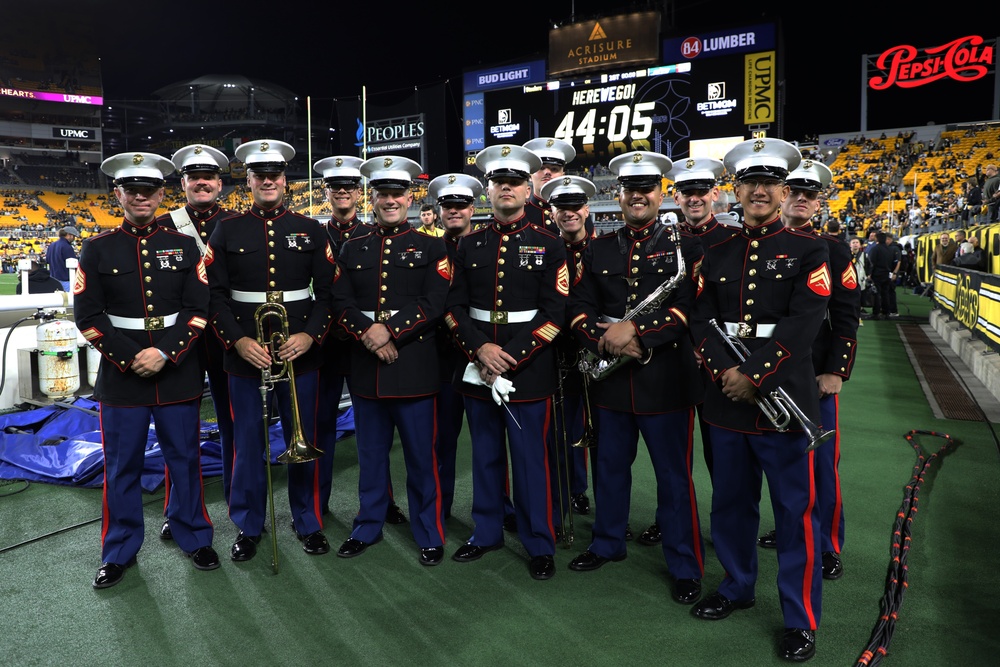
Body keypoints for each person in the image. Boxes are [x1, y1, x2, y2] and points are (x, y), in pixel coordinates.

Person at [691, 138, 830, 662]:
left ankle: (801, 618)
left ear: (782, 190)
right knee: (729, 504)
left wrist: (753, 374)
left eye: (770, 183)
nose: (759, 190)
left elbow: (804, 324)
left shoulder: (809, 249)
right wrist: (726, 372)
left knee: (795, 513)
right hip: (726, 399)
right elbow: (701, 320)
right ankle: (736, 587)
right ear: (737, 187)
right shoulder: (715, 250)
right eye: (750, 182)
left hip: (784, 400)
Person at [567, 152, 706, 607]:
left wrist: (640, 335)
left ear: (660, 192)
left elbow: (688, 308)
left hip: (665, 380)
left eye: (647, 188)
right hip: (609, 381)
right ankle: (608, 542)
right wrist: (607, 338)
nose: (638, 196)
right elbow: (578, 307)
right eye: (630, 189)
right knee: (608, 469)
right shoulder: (598, 247)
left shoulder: (684, 244)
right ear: (617, 194)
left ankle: (684, 563)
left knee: (673, 478)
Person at [78, 152, 218, 588]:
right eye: (131, 189)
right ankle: (118, 549)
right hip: (122, 376)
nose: (140, 196)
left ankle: (192, 533)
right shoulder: (96, 248)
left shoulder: (185, 245)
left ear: (162, 194)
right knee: (121, 467)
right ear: (117, 194)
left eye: (149, 189)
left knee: (186, 459)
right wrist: (130, 356)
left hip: (177, 371)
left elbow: (198, 311)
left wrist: (166, 353)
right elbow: (87, 316)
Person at [205, 139, 335, 562]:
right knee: (246, 442)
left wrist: (311, 336)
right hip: (246, 355)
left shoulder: (312, 229)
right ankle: (248, 523)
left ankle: (308, 520)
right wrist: (238, 341)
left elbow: (331, 295)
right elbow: (215, 296)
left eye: (275, 175)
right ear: (249, 180)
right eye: (259, 175)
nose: (267, 181)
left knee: (305, 439)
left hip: (300, 353)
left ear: (286, 181)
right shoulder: (225, 229)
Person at [444, 143, 568, 581]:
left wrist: (508, 355)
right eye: (499, 183)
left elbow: (556, 313)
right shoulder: (470, 244)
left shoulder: (549, 244)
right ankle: (487, 531)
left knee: (531, 460)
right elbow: (453, 307)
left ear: (526, 188)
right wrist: (480, 350)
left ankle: (539, 541)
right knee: (485, 455)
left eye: (515, 182)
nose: (507, 189)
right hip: (478, 365)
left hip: (528, 369)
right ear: (489, 191)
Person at [330, 156, 450, 565]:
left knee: (421, 458)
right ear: (374, 197)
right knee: (371, 457)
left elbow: (435, 302)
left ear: (410, 196)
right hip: (367, 370)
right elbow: (339, 301)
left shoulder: (433, 246)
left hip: (414, 369)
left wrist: (390, 331)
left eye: (397, 193)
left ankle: (429, 532)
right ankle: (368, 525)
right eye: (382, 194)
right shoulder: (352, 247)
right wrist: (369, 332)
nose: (390, 200)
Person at [757, 159, 859, 585]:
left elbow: (848, 315)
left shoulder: (834, 249)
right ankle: (790, 529)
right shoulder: (756, 242)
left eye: (809, 194)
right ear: (783, 194)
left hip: (814, 376)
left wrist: (836, 372)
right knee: (779, 467)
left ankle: (828, 545)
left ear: (819, 202)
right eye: (794, 191)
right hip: (765, 372)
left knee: (819, 467)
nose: (801, 199)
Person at [311, 155, 406, 525]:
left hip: (367, 346)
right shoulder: (312, 235)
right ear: (326, 191)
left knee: (374, 431)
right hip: (326, 346)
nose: (342, 192)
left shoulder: (374, 233)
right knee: (320, 427)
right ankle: (317, 505)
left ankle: (383, 502)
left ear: (359, 191)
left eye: (349, 186)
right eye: (335, 187)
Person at [156, 144, 236, 542]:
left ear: (220, 183)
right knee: (179, 434)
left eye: (209, 176)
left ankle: (242, 505)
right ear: (183, 183)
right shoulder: (162, 225)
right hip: (182, 342)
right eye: (193, 177)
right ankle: (179, 510)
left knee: (236, 426)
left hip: (227, 341)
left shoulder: (240, 222)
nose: (201, 182)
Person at [538, 174, 596, 537]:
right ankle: (566, 496)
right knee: (559, 432)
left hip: (596, 355)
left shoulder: (604, 248)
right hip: (556, 353)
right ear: (552, 213)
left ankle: (595, 502)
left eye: (576, 207)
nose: (570, 213)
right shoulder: (543, 248)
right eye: (562, 208)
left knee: (599, 436)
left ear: (587, 209)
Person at [427, 172, 483, 520]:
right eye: (448, 206)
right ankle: (440, 507)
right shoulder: (430, 247)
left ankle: (498, 507)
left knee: (488, 442)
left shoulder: (488, 244)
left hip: (481, 356)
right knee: (442, 441)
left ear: (472, 208)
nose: (454, 211)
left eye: (460, 205)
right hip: (441, 358)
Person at [523, 137, 581, 234]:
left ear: (563, 175)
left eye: (554, 169)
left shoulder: (578, 214)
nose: (547, 172)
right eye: (541, 168)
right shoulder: (520, 215)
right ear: (530, 175)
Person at [45, 225, 79, 291]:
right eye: (74, 236)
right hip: (66, 280)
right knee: (69, 300)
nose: (74, 238)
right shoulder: (67, 246)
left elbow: (47, 261)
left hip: (53, 279)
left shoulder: (52, 245)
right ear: (69, 235)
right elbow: (74, 264)